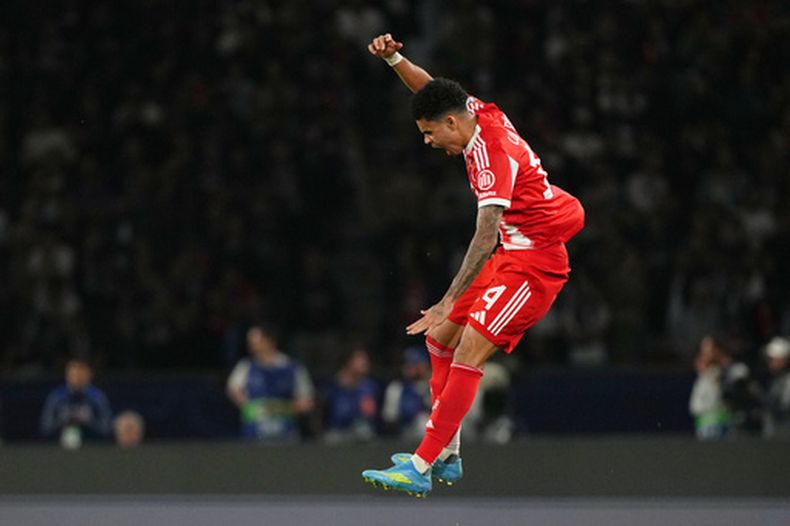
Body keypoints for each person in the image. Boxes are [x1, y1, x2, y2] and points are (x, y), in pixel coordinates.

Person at [361, 33, 585, 497]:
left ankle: (422, 464)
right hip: (514, 248)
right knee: (440, 339)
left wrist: (448, 299)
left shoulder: (489, 157)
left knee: (466, 350)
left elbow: (484, 236)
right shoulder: (474, 112)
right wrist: (395, 59)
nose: (426, 142)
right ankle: (449, 454)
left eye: (428, 133)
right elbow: (430, 88)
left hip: (533, 264)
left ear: (449, 124)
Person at [226, 324, 315, 441]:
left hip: (285, 433)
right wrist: (249, 406)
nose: (252, 346)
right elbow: (233, 390)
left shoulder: (293, 368)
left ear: (269, 341)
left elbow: (307, 401)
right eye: (250, 343)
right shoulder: (245, 367)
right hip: (254, 432)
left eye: (256, 342)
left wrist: (280, 409)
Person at [39, 357, 113, 449]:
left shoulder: (97, 397)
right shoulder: (57, 396)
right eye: (74, 374)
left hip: (92, 447)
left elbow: (107, 429)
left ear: (89, 375)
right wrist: (63, 419)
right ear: (67, 375)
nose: (78, 378)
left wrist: (89, 421)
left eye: (81, 374)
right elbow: (45, 427)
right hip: (59, 448)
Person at [322, 345, 379, 443]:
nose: (364, 363)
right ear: (349, 361)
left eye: (365, 360)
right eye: (360, 359)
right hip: (336, 430)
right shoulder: (333, 384)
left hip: (358, 429)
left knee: (364, 431)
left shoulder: (369, 386)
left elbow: (369, 413)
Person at [381, 346, 432, 440]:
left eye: (415, 365)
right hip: (405, 435)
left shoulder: (435, 387)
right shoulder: (396, 388)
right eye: (408, 365)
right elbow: (389, 419)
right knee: (421, 421)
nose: (410, 368)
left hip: (437, 436)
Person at [762, 336, 790, 438]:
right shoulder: (773, 379)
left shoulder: (787, 381)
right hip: (774, 435)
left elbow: (783, 407)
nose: (771, 362)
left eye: (773, 359)